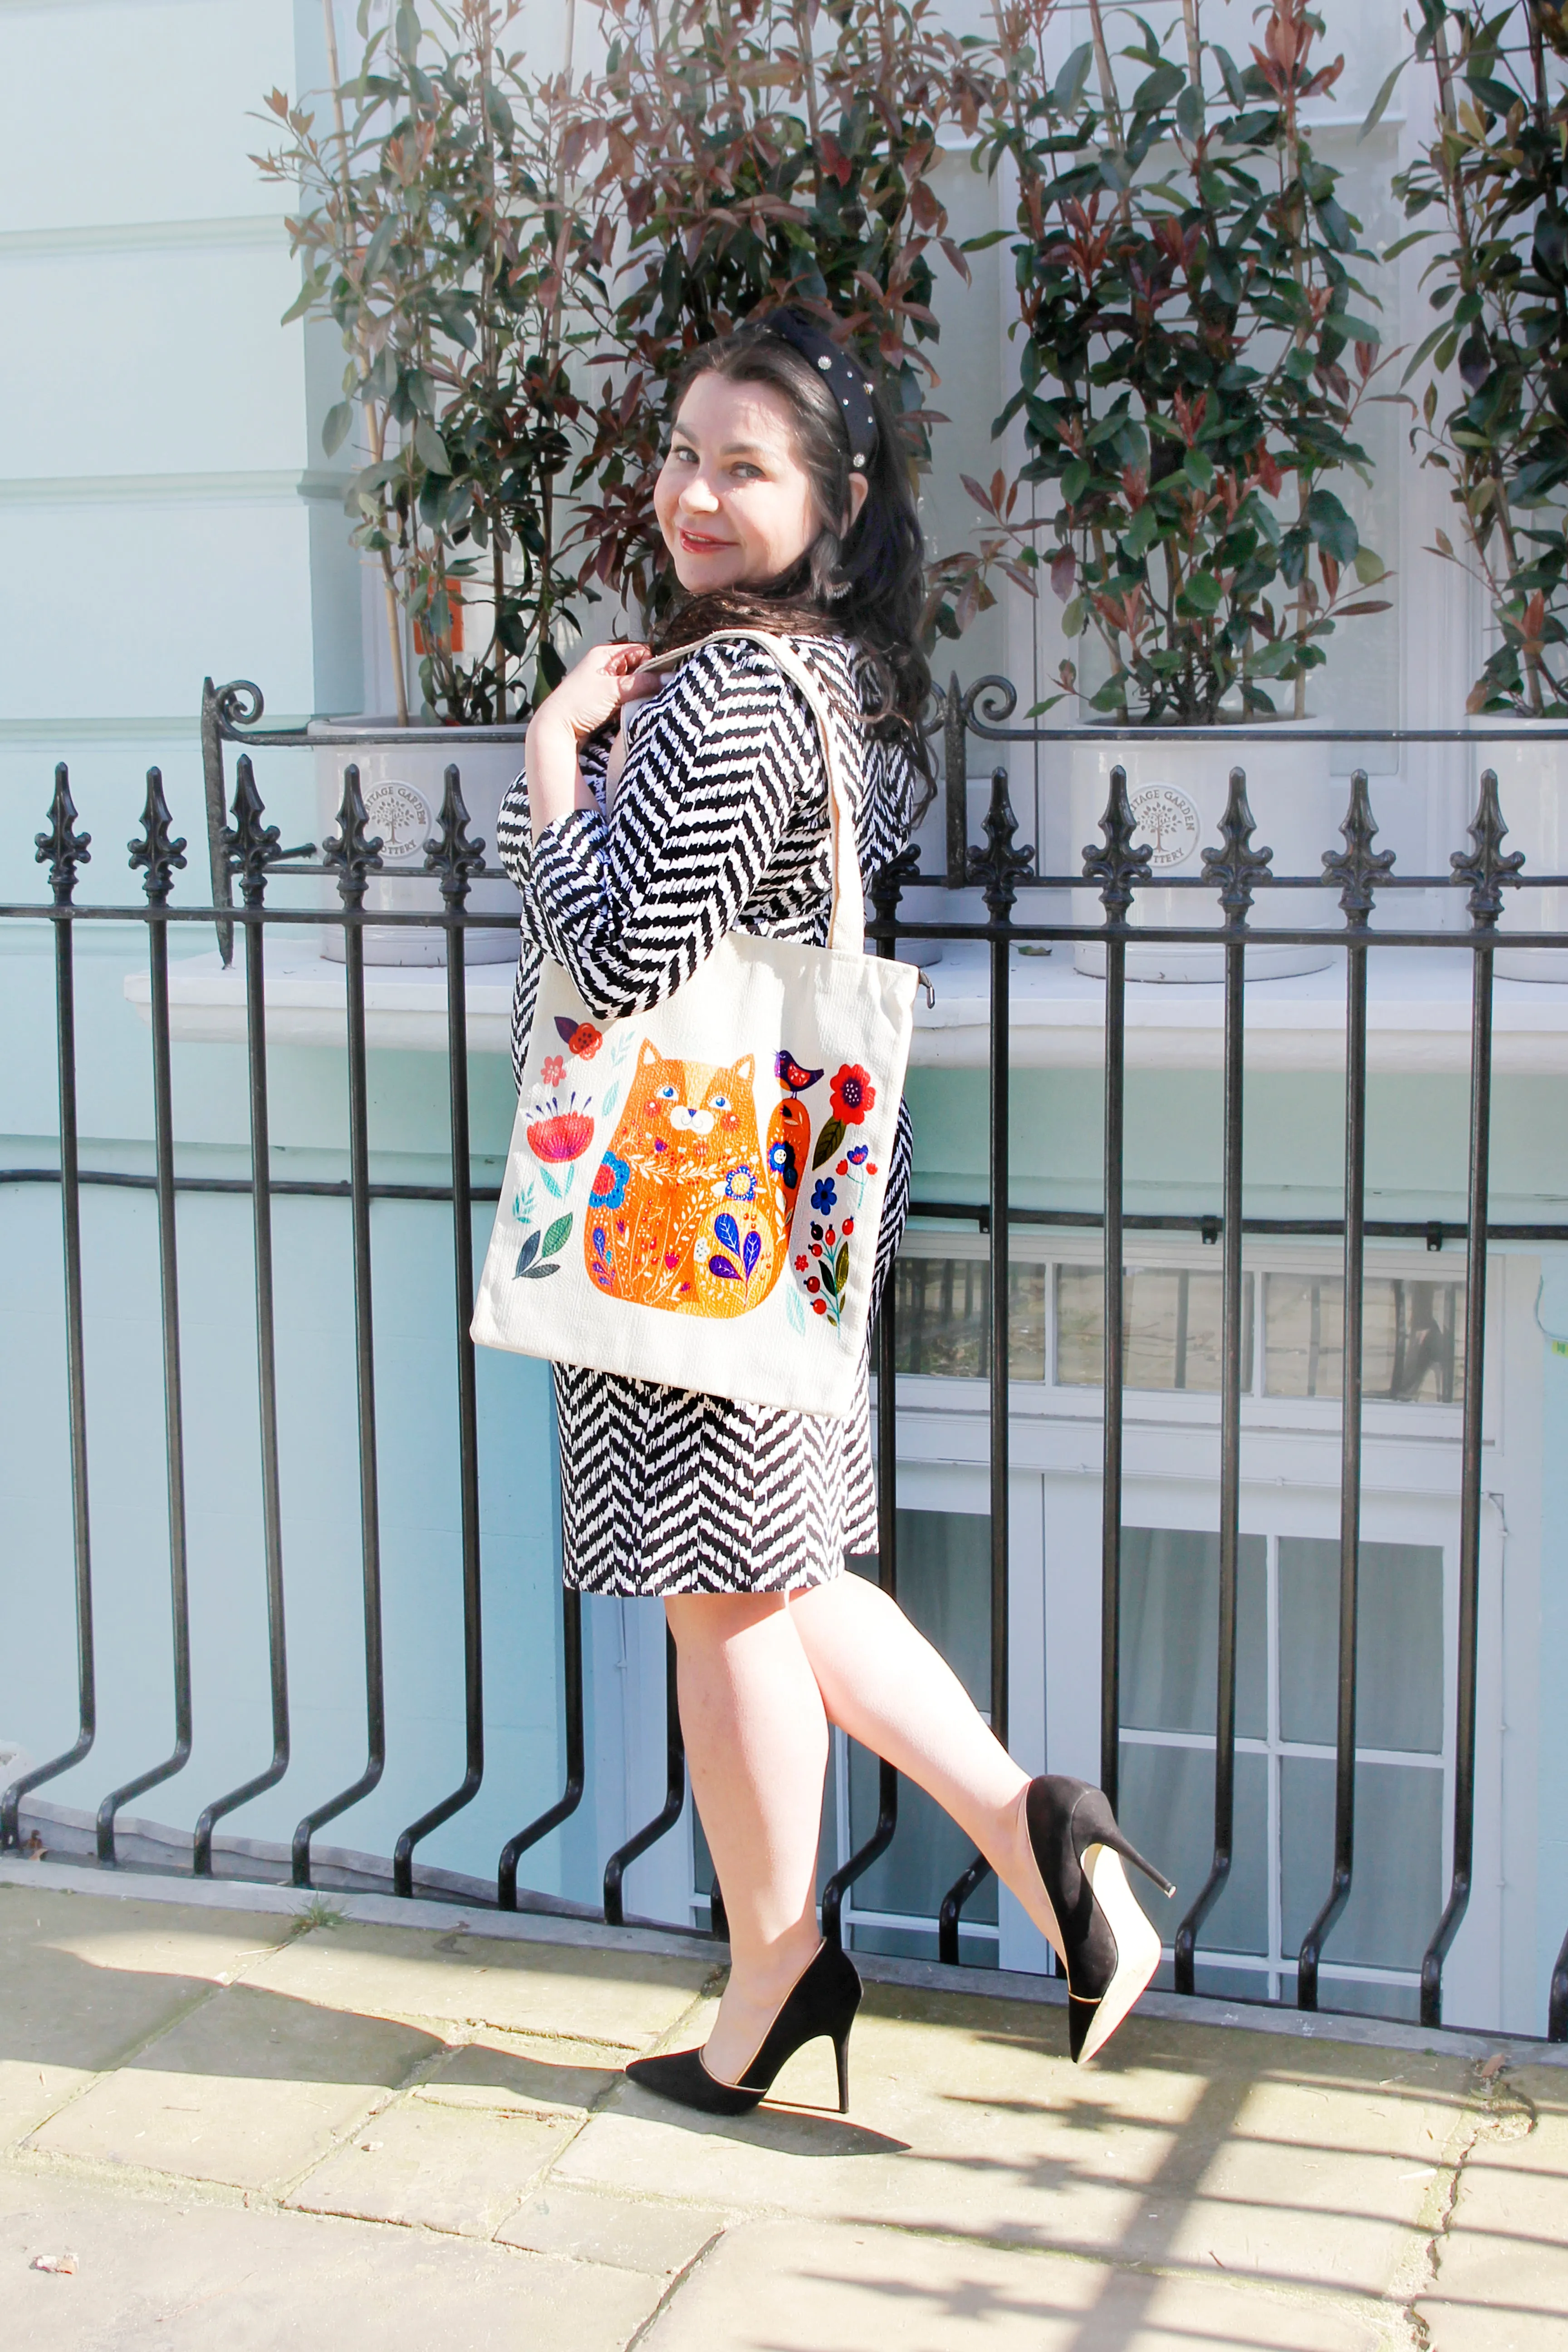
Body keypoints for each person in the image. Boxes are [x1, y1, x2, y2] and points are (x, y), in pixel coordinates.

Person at [496, 309, 1171, 2117]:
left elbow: (623, 948)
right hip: (759, 1199)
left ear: (835, 502)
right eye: (684, 455)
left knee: (730, 1599)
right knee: (777, 1580)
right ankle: (1002, 1864)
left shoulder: (722, 691)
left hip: (687, 1201)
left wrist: (555, 753)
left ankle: (830, 1947)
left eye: (748, 466)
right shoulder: (814, 685)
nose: (696, 493)